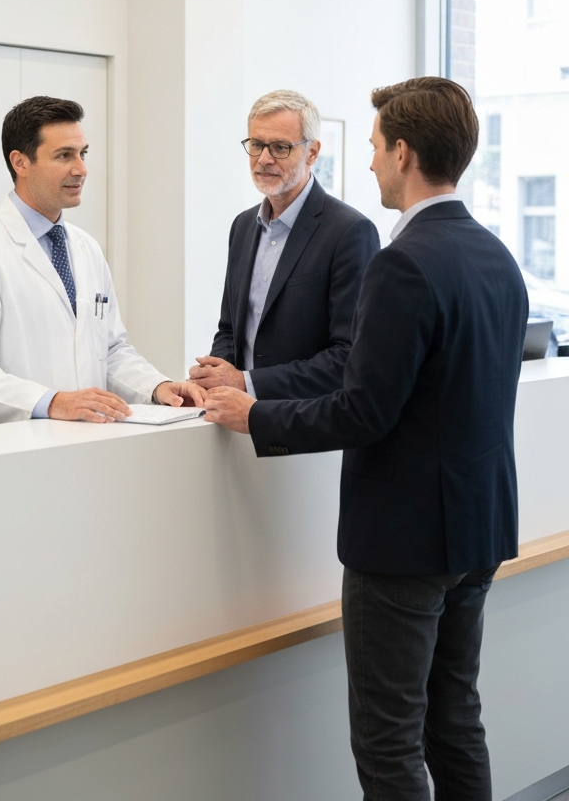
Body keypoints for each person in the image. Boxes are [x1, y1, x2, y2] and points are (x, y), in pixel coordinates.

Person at [204, 77, 529, 801]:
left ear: (404, 152)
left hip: (407, 540)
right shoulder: (496, 257)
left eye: (378, 148)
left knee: (388, 741)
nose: (374, 163)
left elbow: (362, 411)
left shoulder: (402, 262)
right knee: (454, 721)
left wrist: (252, 414)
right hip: (477, 528)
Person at [0, 95, 203, 428]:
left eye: (82, 153)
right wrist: (52, 402)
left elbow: (111, 350)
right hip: (10, 454)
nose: (81, 169)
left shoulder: (85, 248)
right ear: (21, 163)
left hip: (84, 446)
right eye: (64, 155)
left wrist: (156, 387)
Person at [190, 90, 379, 400]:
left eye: (280, 147)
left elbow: (348, 356)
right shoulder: (242, 226)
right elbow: (229, 330)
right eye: (256, 145)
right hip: (239, 419)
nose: (264, 159)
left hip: (306, 429)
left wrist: (246, 382)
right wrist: (216, 375)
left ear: (313, 152)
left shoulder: (351, 232)